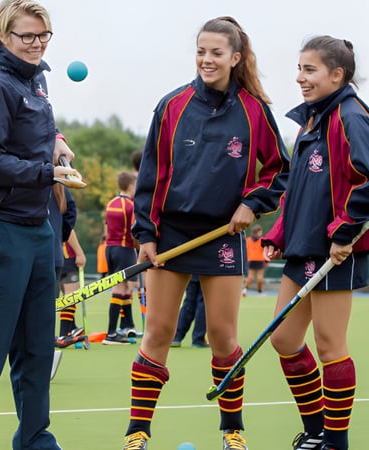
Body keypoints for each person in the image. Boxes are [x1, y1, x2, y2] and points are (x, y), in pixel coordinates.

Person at [124, 17, 290, 450]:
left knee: (222, 336)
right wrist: (146, 234)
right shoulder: (172, 106)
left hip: (222, 235)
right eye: (201, 50)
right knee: (158, 332)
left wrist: (251, 204)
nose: (206, 59)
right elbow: (152, 175)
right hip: (172, 235)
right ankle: (137, 433)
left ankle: (231, 429)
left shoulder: (254, 110)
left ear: (235, 58)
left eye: (216, 52)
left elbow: (278, 171)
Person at [0, 1, 80, 448]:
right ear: (3, 36)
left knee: (38, 342)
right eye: (27, 36)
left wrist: (57, 142)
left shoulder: (35, 78)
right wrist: (48, 173)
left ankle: (35, 437)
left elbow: (39, 125)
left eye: (43, 36)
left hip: (36, 223)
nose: (37, 44)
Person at [262, 35, 369, 450]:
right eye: (300, 68)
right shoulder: (312, 120)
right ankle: (317, 428)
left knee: (329, 344)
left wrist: (345, 232)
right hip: (305, 248)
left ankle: (335, 442)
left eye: (310, 69)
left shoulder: (352, 118)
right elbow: (299, 189)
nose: (300, 77)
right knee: (284, 339)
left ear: (337, 74)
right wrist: (279, 235)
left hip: (338, 250)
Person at [103, 170, 139, 345]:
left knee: (124, 287)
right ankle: (111, 333)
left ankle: (127, 326)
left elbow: (105, 229)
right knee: (120, 287)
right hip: (124, 248)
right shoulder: (130, 206)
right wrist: (139, 249)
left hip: (109, 248)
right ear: (131, 186)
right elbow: (134, 232)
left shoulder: (110, 203)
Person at [170, 276, 208, 348]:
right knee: (203, 303)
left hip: (190, 272)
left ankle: (177, 337)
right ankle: (198, 339)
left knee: (189, 302)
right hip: (206, 271)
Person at [243, 224, 267, 296]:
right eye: (260, 232)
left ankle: (257, 292)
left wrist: (266, 261)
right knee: (252, 278)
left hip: (258, 261)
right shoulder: (249, 240)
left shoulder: (261, 240)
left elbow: (264, 251)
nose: (261, 233)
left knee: (258, 278)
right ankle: (245, 290)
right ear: (256, 232)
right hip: (253, 261)